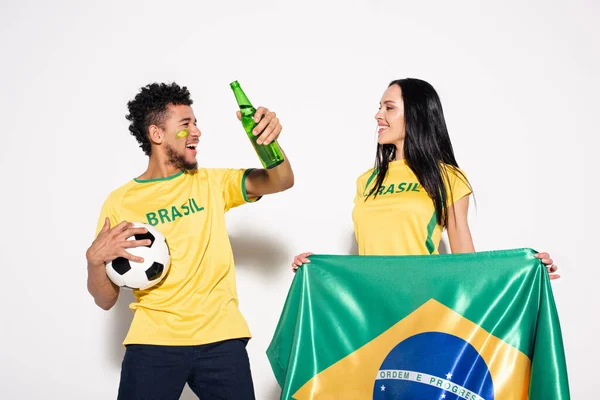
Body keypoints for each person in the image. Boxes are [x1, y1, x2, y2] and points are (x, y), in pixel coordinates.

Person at [86, 82, 294, 400]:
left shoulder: (212, 183)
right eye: (186, 125)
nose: (197, 131)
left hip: (222, 339)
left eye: (196, 123)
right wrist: (94, 261)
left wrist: (267, 145)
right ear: (157, 135)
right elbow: (105, 300)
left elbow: (281, 180)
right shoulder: (120, 202)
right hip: (153, 341)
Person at [292, 78, 559, 279]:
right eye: (379, 107)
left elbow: (465, 257)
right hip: (371, 303)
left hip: (422, 300)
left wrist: (524, 271)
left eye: (389, 107)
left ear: (416, 114)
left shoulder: (448, 177)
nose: (378, 115)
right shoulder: (366, 181)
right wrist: (318, 270)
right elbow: (370, 254)